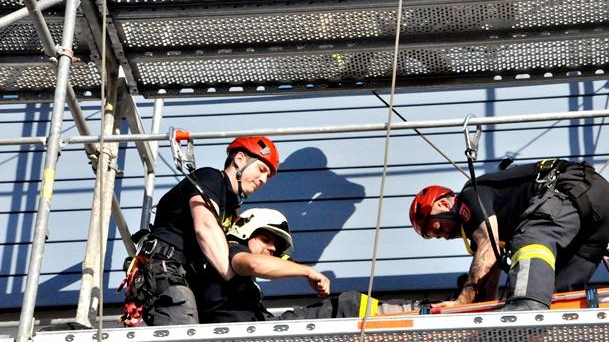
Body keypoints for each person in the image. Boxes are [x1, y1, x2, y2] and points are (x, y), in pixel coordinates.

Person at [409, 158, 609, 311]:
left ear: (444, 204)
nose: (445, 236)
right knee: (555, 293)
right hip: (605, 209)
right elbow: (490, 267)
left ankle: (526, 309)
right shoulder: (487, 225)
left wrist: (462, 302)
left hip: (571, 188)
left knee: (530, 240)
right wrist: (483, 310)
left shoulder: (470, 196)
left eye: (438, 228)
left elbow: (488, 249)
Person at [127, 136, 279, 326]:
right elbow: (205, 229)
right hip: (167, 269)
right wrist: (236, 281)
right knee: (183, 334)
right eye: (261, 169)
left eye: (268, 176)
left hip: (186, 278)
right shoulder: (210, 178)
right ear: (240, 159)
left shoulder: (229, 208)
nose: (264, 179)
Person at [197, 208, 416, 323]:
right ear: (245, 233)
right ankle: (411, 312)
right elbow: (253, 264)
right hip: (250, 334)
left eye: (276, 247)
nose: (271, 248)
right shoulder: (231, 251)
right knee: (347, 304)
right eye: (265, 239)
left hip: (256, 330)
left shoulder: (240, 278)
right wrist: (307, 271)